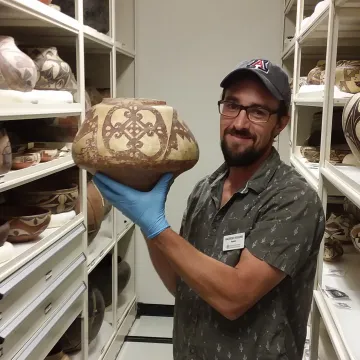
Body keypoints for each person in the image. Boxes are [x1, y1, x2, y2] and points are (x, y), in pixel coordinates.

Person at [93, 59, 325, 360]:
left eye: (258, 112)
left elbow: (235, 296)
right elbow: (183, 285)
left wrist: (158, 228)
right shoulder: (206, 189)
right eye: (232, 105)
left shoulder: (294, 199)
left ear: (280, 122)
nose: (239, 123)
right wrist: (146, 220)